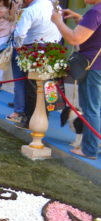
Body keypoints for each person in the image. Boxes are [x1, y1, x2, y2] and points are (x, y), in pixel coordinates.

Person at [51, 0, 101, 160]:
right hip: (97, 65)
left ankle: (89, 149)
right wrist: (79, 18)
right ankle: (92, 145)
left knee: (90, 108)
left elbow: (74, 39)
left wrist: (58, 21)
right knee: (95, 108)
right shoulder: (96, 11)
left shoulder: (95, 12)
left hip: (92, 66)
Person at [7, 0, 61, 127]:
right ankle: (44, 118)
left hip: (34, 50)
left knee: (32, 88)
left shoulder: (31, 10)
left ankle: (31, 120)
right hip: (53, 50)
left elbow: (20, 34)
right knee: (48, 87)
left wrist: (18, 47)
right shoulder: (56, 7)